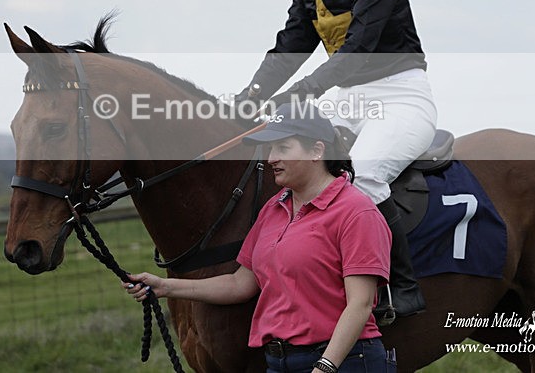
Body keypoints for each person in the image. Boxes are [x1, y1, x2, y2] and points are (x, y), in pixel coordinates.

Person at [234, 0, 437, 319]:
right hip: (346, 98)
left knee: (364, 175)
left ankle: (400, 288)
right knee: (297, 166)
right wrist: (248, 98)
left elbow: (358, 48)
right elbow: (287, 49)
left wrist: (301, 92)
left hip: (400, 97)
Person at [125, 103, 393, 373]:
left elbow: (360, 304)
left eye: (283, 148)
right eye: (271, 148)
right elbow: (239, 283)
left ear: (317, 150)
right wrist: (165, 287)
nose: (271, 158)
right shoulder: (274, 209)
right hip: (279, 363)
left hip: (344, 362)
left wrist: (324, 367)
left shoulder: (356, 212)